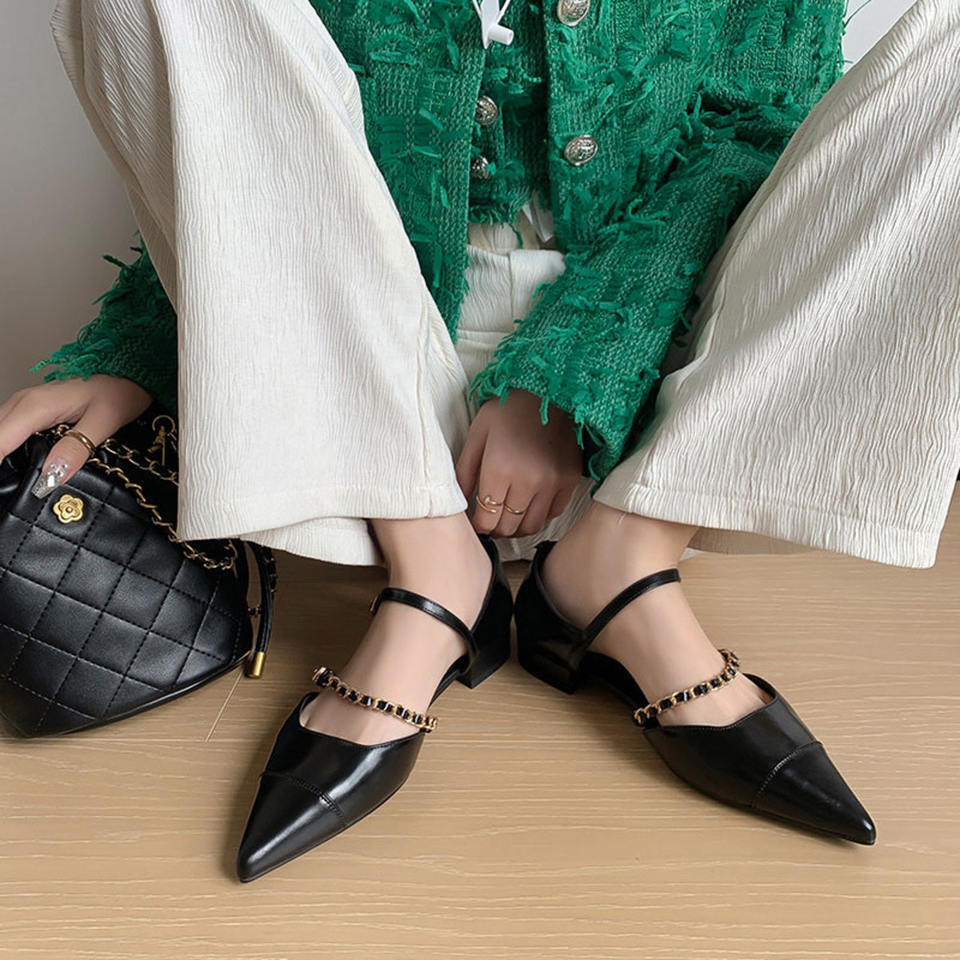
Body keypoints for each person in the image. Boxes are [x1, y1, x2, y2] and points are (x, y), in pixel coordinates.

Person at [2, 0, 957, 880]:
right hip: (354, 388)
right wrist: (138, 344)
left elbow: (758, 129)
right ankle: (434, 563)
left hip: (672, 406)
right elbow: (254, 129)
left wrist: (570, 379)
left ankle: (623, 557)